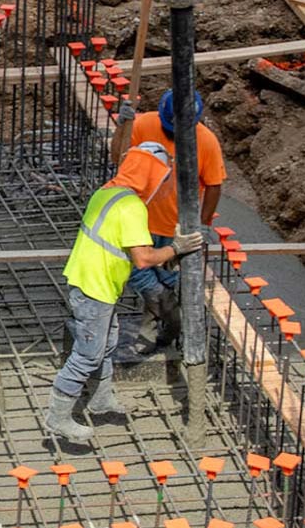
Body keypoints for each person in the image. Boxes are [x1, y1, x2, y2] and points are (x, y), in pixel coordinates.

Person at [47, 142, 204, 446]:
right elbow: (143, 259)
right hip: (95, 287)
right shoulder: (131, 206)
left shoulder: (106, 192)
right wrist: (176, 248)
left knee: (107, 343)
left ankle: (101, 400)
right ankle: (58, 416)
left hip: (89, 280)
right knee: (87, 354)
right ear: (149, 174)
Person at [106, 88, 226, 365]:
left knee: (172, 281)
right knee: (145, 278)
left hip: (176, 228)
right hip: (139, 222)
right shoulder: (144, 124)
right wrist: (123, 126)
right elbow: (117, 158)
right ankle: (165, 323)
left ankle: (167, 330)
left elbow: (214, 185)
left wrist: (203, 224)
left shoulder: (205, 142)